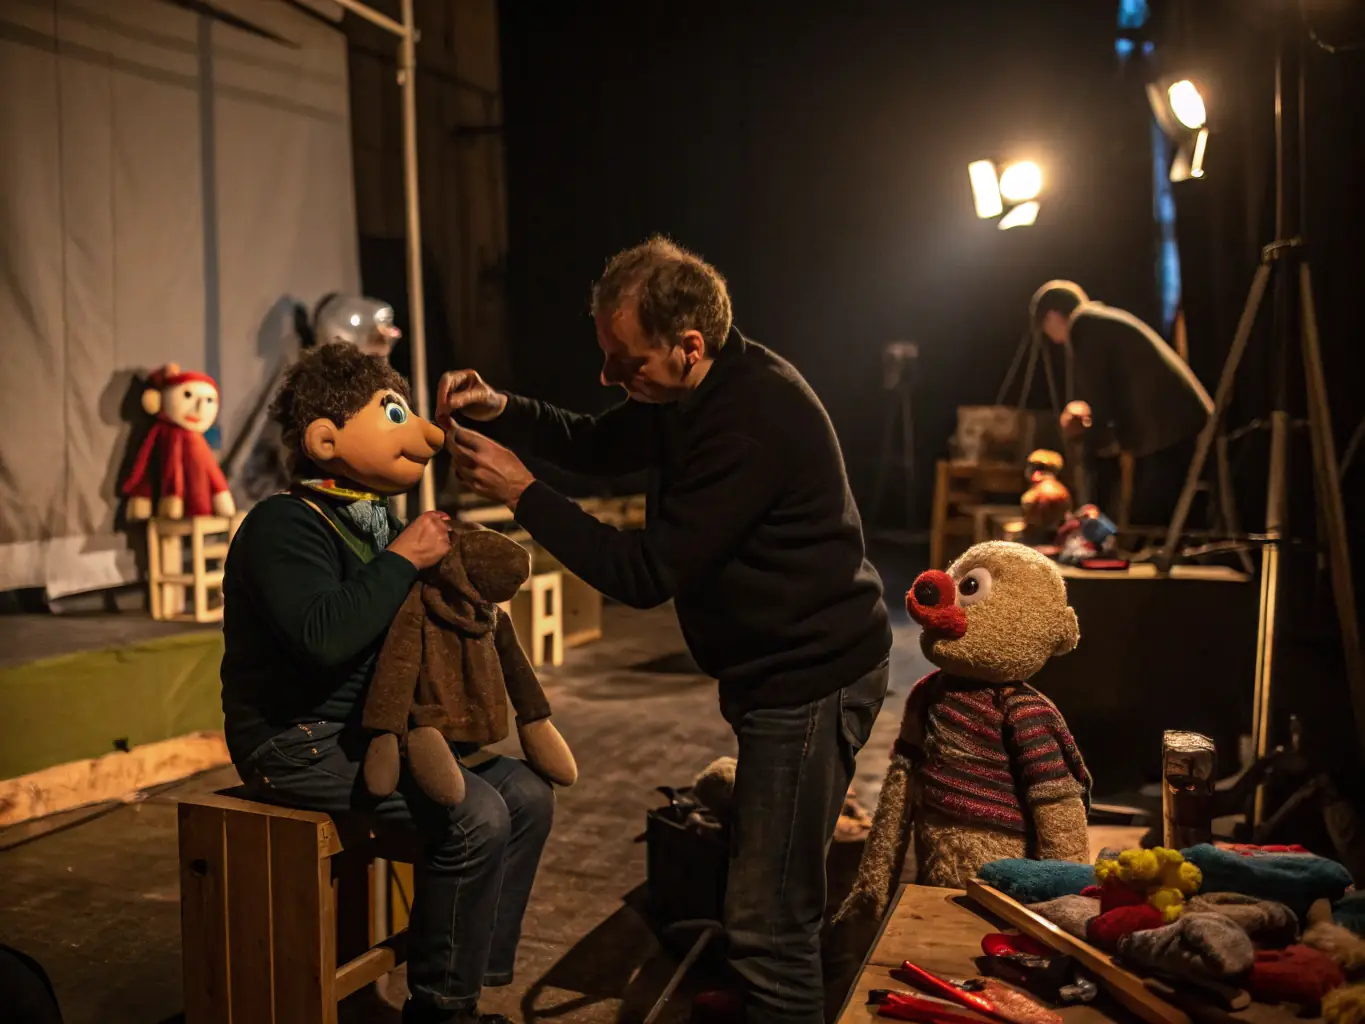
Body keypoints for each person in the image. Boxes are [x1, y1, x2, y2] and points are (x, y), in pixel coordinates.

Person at [438, 236, 893, 1024]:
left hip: (811, 676)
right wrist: (502, 410)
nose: (609, 376)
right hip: (774, 670)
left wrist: (522, 492)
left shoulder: (749, 418)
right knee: (765, 895)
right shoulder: (687, 393)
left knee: (767, 923)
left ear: (689, 345)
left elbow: (643, 574)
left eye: (625, 360)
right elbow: (593, 440)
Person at [221, 343, 555, 1024]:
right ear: (325, 437)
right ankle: (439, 1008)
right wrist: (403, 560)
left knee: (525, 795)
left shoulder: (374, 522)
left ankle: (464, 975)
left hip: (374, 730)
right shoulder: (283, 525)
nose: (420, 433)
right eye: (391, 411)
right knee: (476, 816)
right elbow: (324, 637)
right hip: (297, 741)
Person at [1030, 280, 1214, 526]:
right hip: (1176, 420)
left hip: (1169, 424)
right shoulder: (1099, 320)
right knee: (1158, 506)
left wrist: (1089, 448)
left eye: (1046, 329)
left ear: (1052, 316)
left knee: (1150, 513)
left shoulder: (1083, 325)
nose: (1054, 340)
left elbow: (1100, 395)